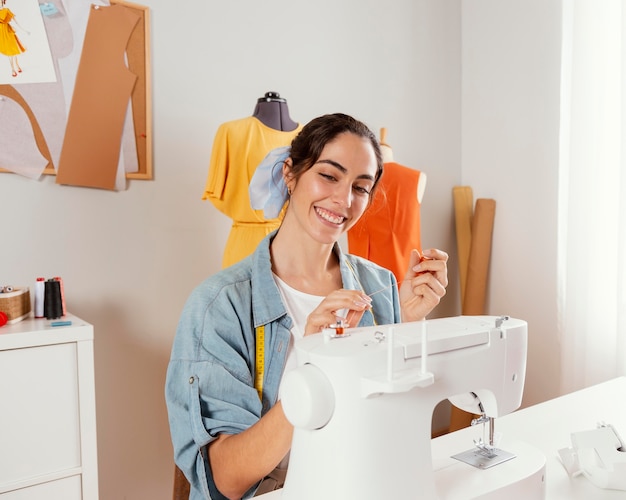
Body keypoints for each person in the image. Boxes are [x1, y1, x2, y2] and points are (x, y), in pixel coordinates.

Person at [166, 113, 449, 500]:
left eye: (361, 187)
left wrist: (406, 326)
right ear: (290, 174)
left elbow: (386, 427)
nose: (344, 200)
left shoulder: (380, 287)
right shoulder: (220, 305)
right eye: (329, 176)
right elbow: (227, 480)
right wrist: (312, 366)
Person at [0, 0, 27, 78]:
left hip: (8, 31)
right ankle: (12, 69)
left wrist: (23, 29)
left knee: (13, 49)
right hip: (1, 34)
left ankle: (17, 65)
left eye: (1, 2)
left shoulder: (6, 10)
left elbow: (15, 21)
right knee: (8, 51)